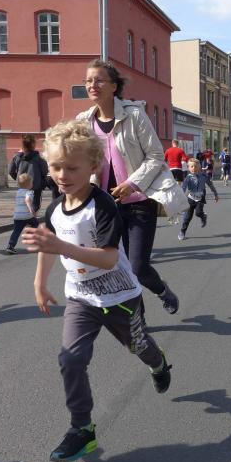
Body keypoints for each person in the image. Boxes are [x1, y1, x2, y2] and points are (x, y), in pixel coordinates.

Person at [23, 120, 172, 462]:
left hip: (120, 297)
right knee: (71, 359)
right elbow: (48, 245)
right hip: (81, 299)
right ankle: (82, 428)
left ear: (93, 166)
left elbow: (107, 258)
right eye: (55, 167)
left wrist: (61, 246)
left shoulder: (102, 205)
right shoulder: (55, 208)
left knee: (139, 346)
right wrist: (39, 283)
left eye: (71, 168)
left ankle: (159, 363)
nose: (62, 175)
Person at [76, 59, 180, 315]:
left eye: (99, 80)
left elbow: (156, 155)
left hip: (139, 203)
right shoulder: (83, 121)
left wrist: (132, 183)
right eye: (88, 81)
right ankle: (138, 321)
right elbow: (78, 159)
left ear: (114, 86)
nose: (92, 85)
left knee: (137, 267)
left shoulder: (134, 115)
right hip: (105, 206)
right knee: (117, 268)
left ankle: (162, 291)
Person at [178, 158, 219, 241]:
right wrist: (180, 197)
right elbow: (183, 188)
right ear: (188, 168)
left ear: (199, 167)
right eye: (192, 166)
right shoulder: (188, 178)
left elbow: (210, 185)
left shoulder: (204, 176)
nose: (194, 168)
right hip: (190, 198)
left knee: (198, 213)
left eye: (196, 166)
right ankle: (182, 231)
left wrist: (215, 194)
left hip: (200, 198)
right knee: (187, 217)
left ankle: (203, 216)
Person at [9, 134, 49, 213]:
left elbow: (11, 171)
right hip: (36, 186)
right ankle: (31, 218)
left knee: (22, 205)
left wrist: (19, 179)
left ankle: (23, 218)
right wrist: (42, 182)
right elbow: (45, 171)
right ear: (33, 144)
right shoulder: (39, 158)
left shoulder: (17, 157)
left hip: (22, 186)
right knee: (35, 206)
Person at [4, 173, 39, 254]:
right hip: (27, 215)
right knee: (35, 223)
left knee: (16, 231)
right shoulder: (29, 192)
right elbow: (27, 200)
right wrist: (31, 209)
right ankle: (29, 234)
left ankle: (10, 246)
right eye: (31, 183)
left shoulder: (18, 192)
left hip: (17, 216)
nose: (32, 184)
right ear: (29, 185)